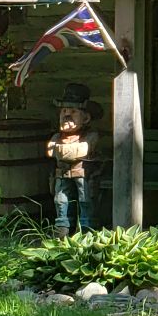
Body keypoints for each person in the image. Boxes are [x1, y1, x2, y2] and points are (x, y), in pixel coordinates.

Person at [46, 83, 104, 235]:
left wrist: (61, 150)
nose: (66, 115)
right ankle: (63, 230)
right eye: (64, 111)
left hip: (83, 175)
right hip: (62, 174)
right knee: (61, 201)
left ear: (85, 118)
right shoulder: (57, 136)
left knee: (86, 201)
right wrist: (64, 150)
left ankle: (87, 230)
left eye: (73, 111)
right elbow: (50, 151)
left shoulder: (91, 136)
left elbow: (79, 151)